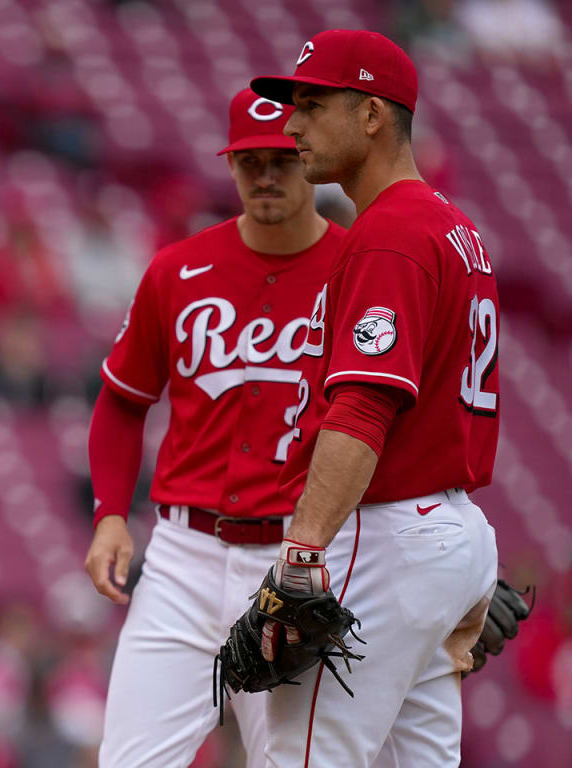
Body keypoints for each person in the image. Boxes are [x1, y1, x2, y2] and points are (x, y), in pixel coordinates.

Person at [245, 29, 499, 766]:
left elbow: (363, 408)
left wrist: (302, 551)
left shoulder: (391, 234)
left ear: (372, 115)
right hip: (447, 528)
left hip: (386, 534)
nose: (291, 124)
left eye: (313, 103)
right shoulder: (453, 228)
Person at [84, 88, 346, 767]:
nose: (264, 176)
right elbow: (121, 400)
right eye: (249, 160)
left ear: (310, 161)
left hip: (298, 560)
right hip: (181, 557)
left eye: (282, 161)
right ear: (229, 166)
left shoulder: (359, 272)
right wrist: (111, 513)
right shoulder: (177, 270)